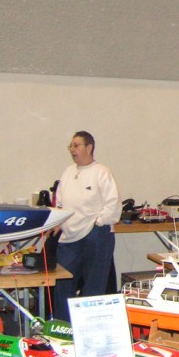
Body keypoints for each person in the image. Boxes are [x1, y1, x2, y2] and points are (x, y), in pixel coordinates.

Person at [52, 131, 122, 321]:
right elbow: (60, 203)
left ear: (89, 147)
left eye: (76, 145)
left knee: (93, 285)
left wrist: (97, 222)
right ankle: (62, 326)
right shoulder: (68, 172)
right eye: (71, 146)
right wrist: (57, 221)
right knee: (63, 283)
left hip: (96, 234)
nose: (72, 150)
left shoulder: (101, 172)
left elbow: (113, 206)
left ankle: (89, 326)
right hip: (69, 236)